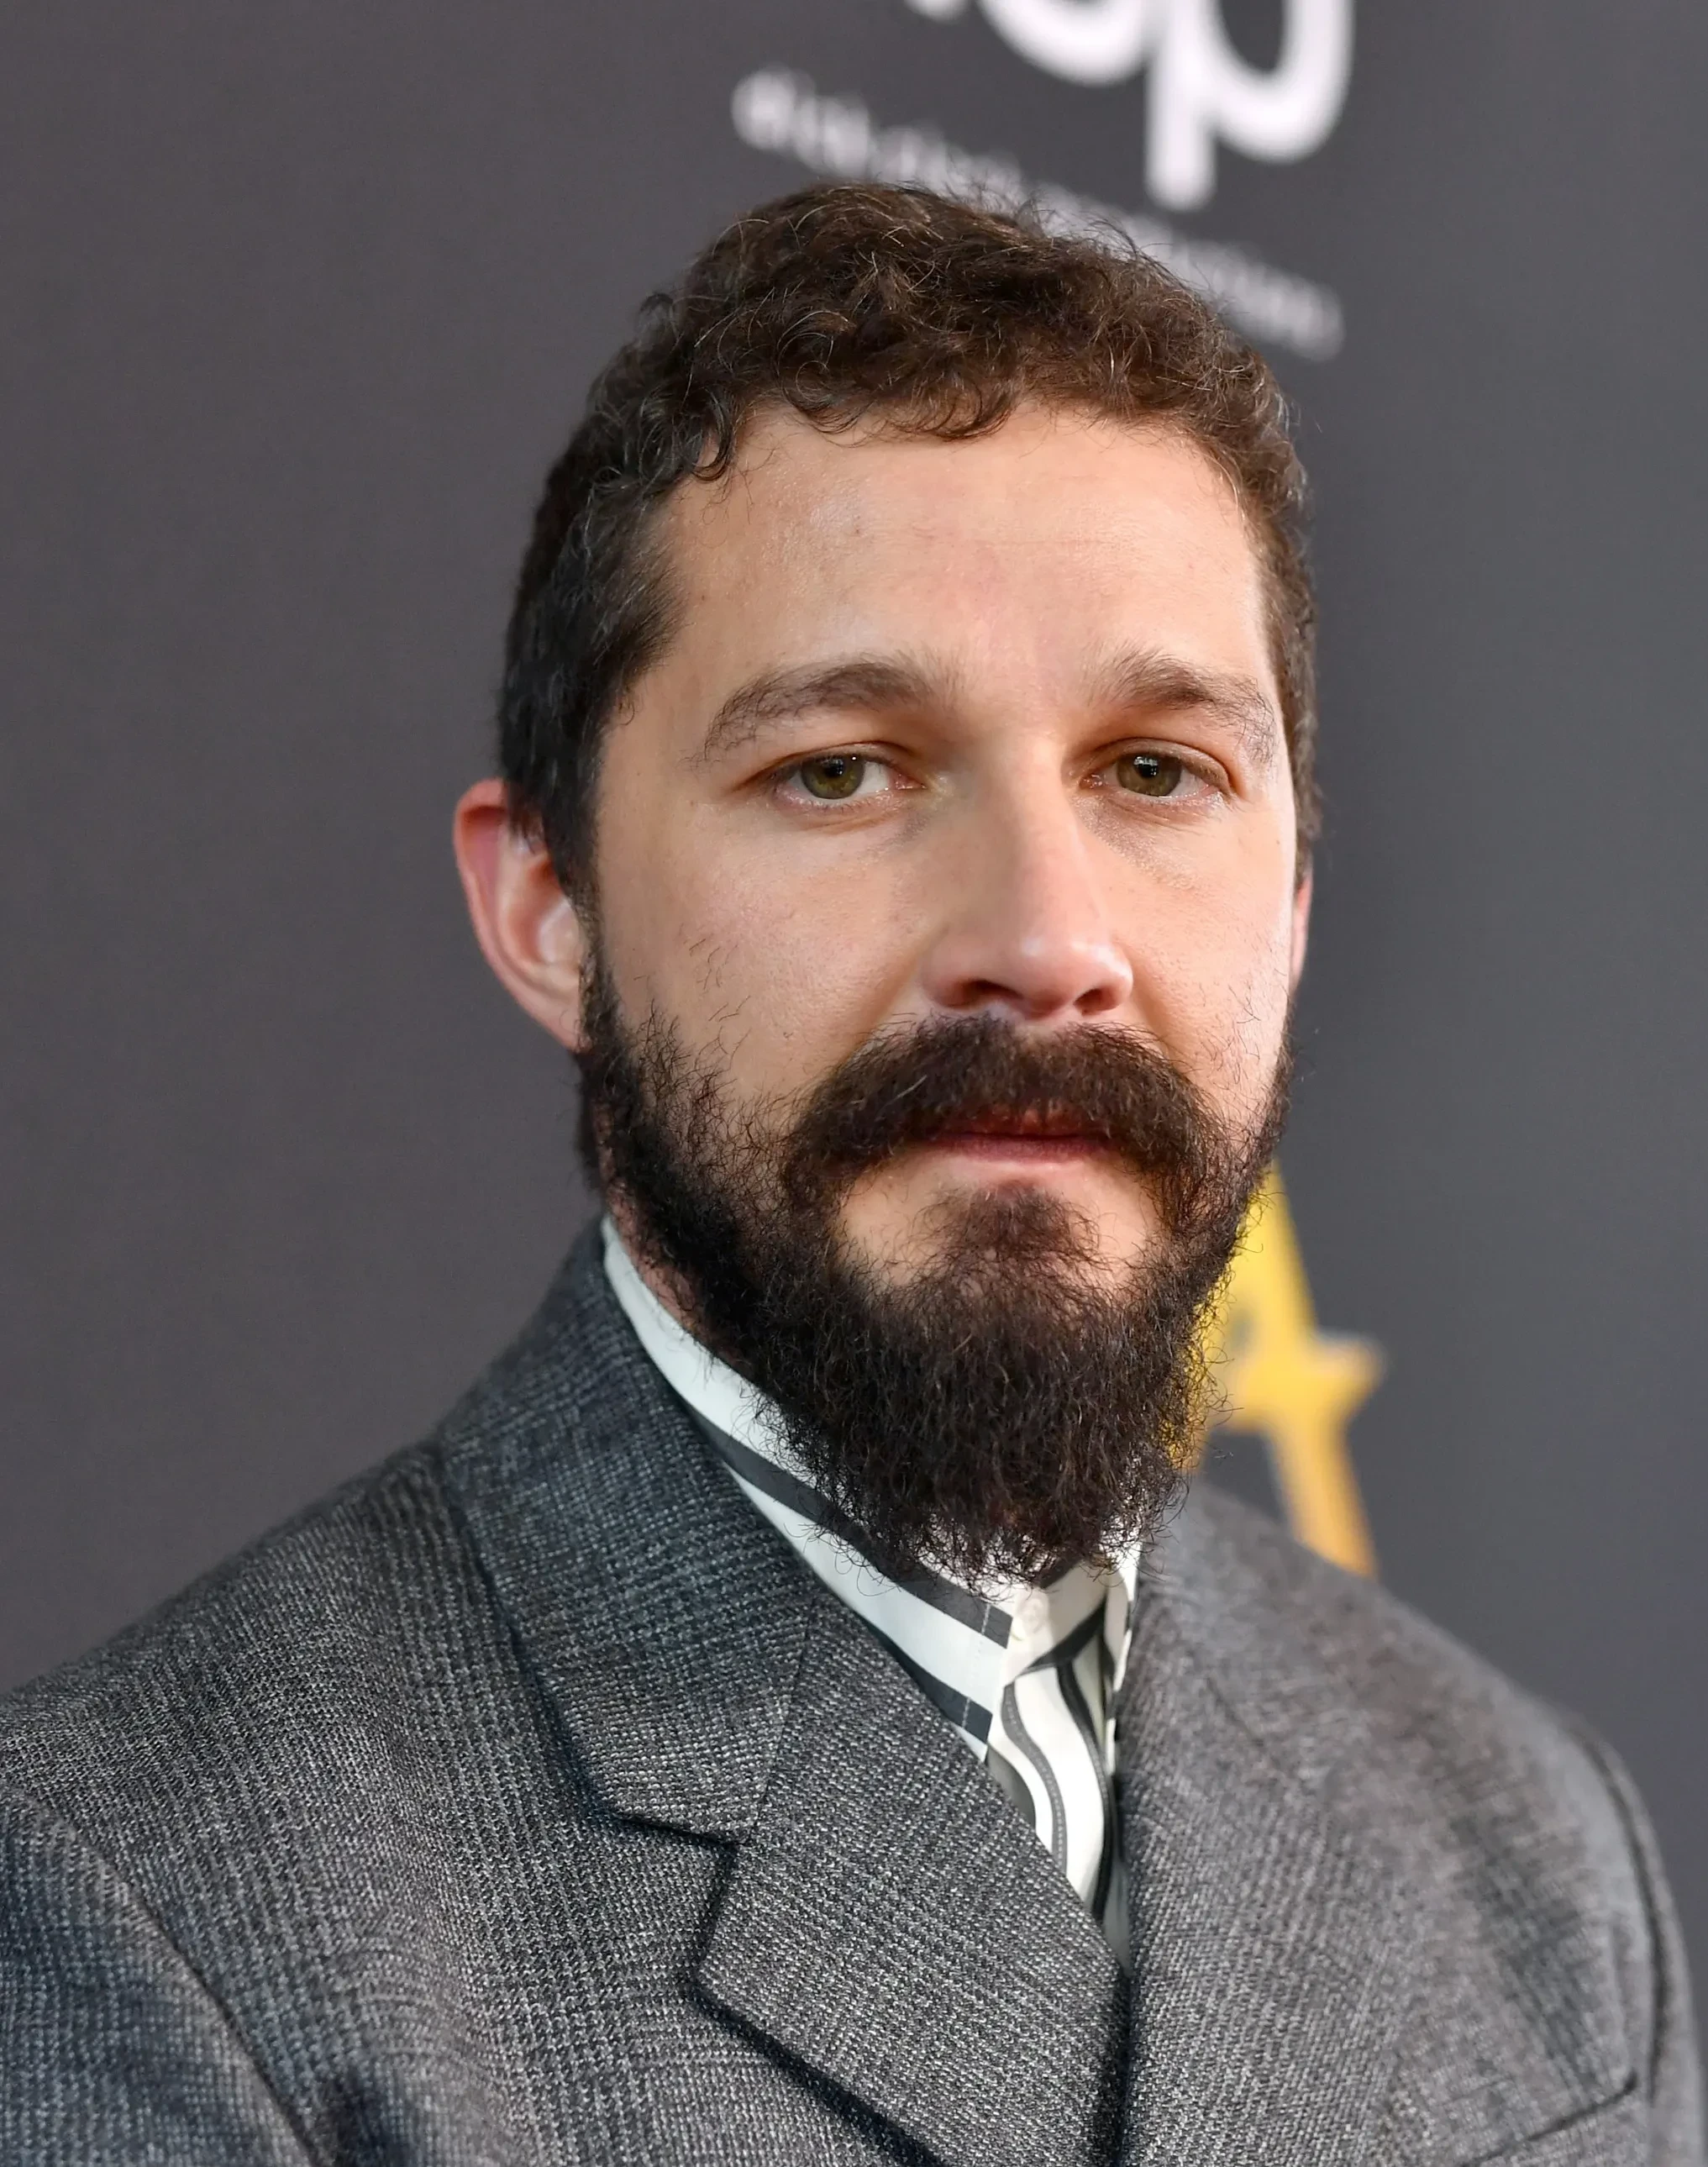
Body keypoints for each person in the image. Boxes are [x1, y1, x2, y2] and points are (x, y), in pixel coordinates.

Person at [0, 183, 1699, 2166]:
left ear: (1297, 902)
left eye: (1154, 771)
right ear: (550, 906)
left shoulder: (1537, 1848)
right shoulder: (150, 1905)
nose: (1044, 941)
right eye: (841, 769)